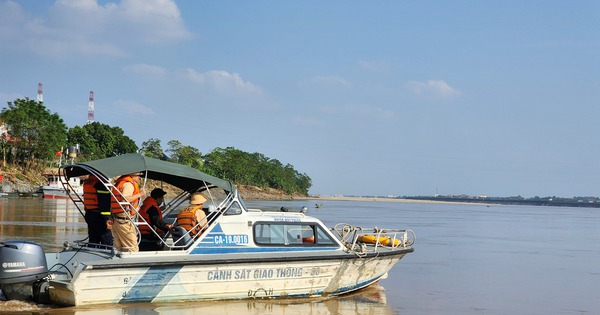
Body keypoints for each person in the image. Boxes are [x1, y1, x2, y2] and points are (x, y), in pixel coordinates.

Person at [111, 172, 146, 252]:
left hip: (117, 219)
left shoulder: (120, 183)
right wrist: (140, 194)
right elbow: (124, 199)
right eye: (139, 175)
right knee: (133, 248)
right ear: (132, 175)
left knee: (119, 248)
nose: (140, 178)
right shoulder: (129, 185)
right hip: (124, 221)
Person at [83, 174, 113, 247]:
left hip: (90, 213)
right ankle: (106, 254)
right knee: (106, 239)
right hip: (99, 216)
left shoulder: (88, 182)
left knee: (93, 238)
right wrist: (107, 219)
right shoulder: (100, 184)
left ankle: (92, 253)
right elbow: (104, 202)